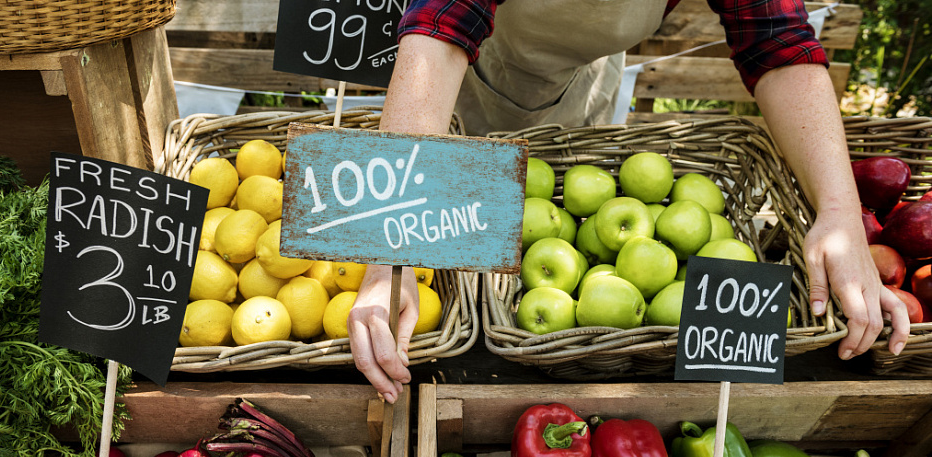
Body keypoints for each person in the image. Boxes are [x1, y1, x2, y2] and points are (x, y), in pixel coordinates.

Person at [346, 0, 911, 403]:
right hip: (472, 77)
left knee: (568, 186)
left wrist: (840, 215)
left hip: (581, 77)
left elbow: (777, 41)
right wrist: (388, 251)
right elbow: (442, 26)